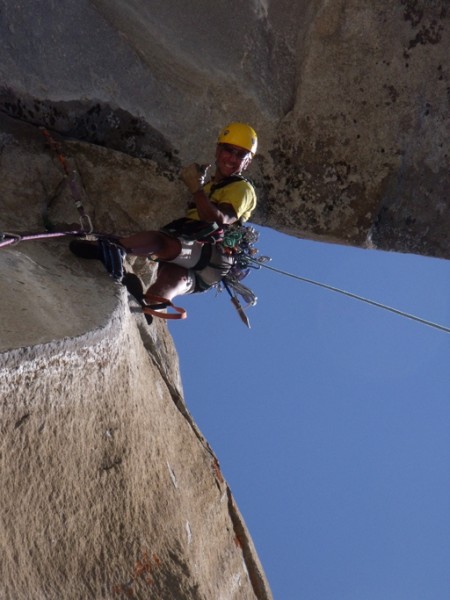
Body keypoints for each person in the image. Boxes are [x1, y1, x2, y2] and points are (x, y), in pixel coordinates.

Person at [70, 122, 258, 310]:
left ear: (248, 162)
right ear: (218, 150)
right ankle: (149, 307)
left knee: (161, 241)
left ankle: (115, 249)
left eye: (241, 154)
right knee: (172, 277)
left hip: (210, 250)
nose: (232, 158)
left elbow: (218, 221)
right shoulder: (210, 186)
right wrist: (200, 188)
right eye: (228, 150)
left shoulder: (242, 189)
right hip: (207, 265)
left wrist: (196, 189)